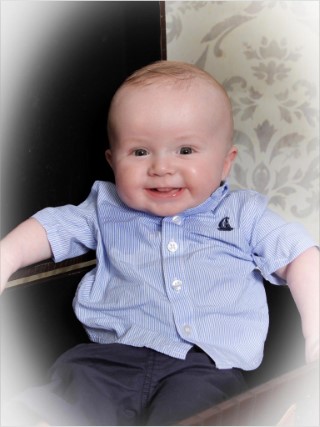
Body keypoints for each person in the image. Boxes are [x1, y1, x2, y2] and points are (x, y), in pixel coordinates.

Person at [1, 60, 319, 426]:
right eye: (139, 152)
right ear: (112, 160)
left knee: (201, 416)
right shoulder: (105, 208)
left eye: (185, 150)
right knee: (49, 405)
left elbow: (300, 256)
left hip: (205, 366)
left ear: (224, 162)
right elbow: (49, 227)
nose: (161, 167)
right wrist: (6, 257)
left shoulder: (244, 215)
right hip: (107, 360)